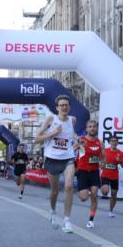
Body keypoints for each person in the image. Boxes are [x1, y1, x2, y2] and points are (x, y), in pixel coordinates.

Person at [35, 94, 78, 233]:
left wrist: (78, 139)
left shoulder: (73, 120)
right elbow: (37, 138)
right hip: (52, 159)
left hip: (68, 158)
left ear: (69, 107)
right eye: (62, 105)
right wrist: (53, 132)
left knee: (69, 186)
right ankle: (53, 211)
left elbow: (71, 134)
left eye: (66, 105)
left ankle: (67, 220)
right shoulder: (51, 119)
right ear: (57, 107)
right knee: (55, 191)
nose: (64, 107)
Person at [75, 119, 104, 228]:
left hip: (94, 172)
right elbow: (71, 150)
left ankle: (91, 220)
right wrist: (78, 146)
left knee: (95, 194)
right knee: (83, 198)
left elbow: (103, 157)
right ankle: (81, 191)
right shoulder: (82, 140)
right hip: (83, 171)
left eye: (94, 126)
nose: (92, 128)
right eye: (90, 126)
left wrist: (103, 162)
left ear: (97, 128)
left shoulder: (100, 142)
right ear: (87, 129)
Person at [100, 135, 123, 218]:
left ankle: (111, 210)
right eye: (112, 141)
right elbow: (99, 160)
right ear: (109, 142)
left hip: (114, 176)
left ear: (117, 142)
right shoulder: (105, 151)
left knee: (114, 194)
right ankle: (102, 188)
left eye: (115, 141)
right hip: (105, 174)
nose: (114, 142)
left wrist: (120, 161)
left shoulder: (120, 153)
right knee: (105, 192)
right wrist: (101, 164)